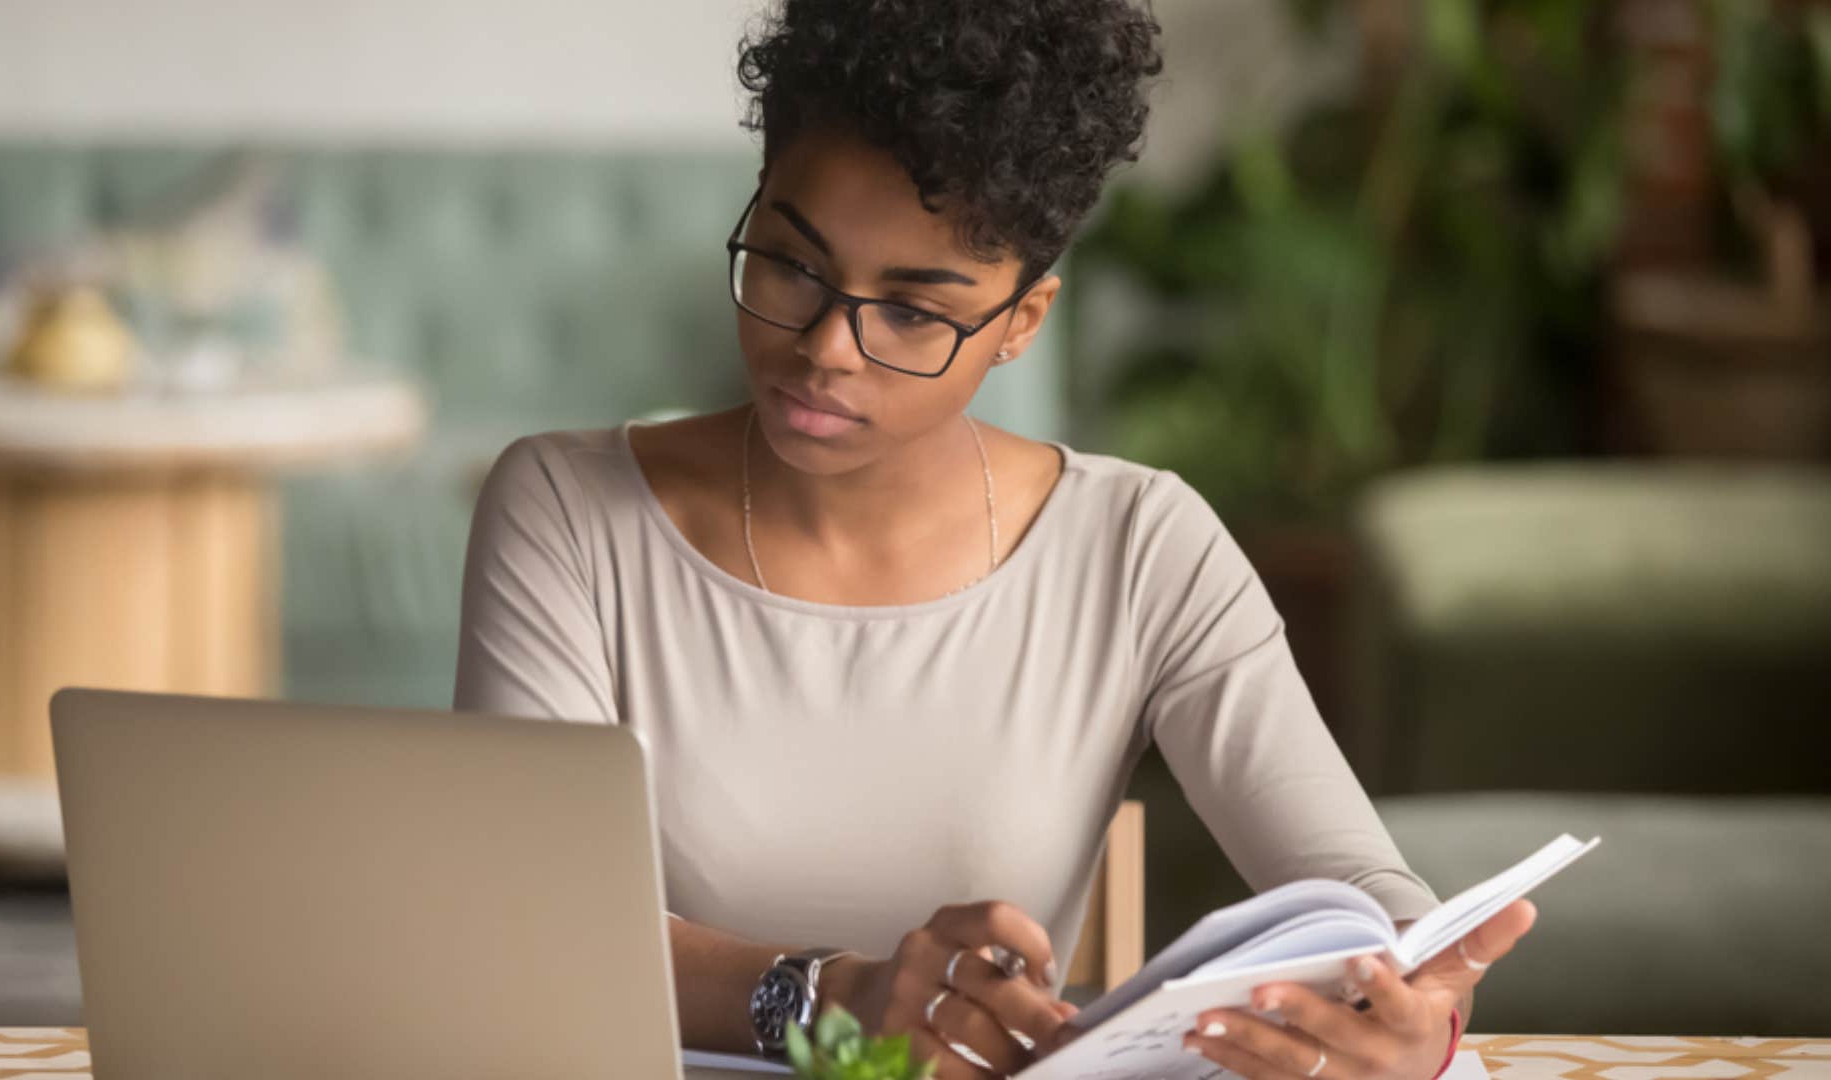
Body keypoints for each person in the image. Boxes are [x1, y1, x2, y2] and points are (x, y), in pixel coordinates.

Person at [453, 1, 1536, 1076]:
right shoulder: (566, 511)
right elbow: (519, 924)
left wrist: (1419, 1012)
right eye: (791, 266)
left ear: (1022, 321)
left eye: (915, 312)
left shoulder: (1139, 546)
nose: (828, 347)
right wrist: (835, 999)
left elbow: (1359, 886)